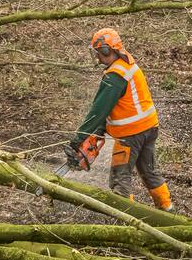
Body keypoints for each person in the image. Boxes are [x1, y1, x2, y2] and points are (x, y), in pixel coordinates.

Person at [67, 28, 173, 211]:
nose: (98, 58)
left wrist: (78, 139)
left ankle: (127, 221)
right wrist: (99, 130)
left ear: (108, 50)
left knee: (119, 178)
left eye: (100, 53)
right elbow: (114, 106)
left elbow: (98, 111)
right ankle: (167, 210)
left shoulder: (115, 77)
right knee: (149, 172)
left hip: (130, 135)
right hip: (149, 128)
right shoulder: (127, 64)